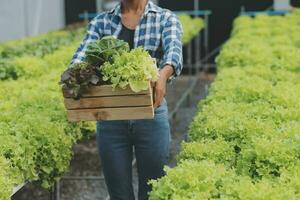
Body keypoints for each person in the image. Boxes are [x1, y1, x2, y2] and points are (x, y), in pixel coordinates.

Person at [71, 0, 183, 199]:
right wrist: (74, 74)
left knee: (153, 190)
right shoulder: (101, 22)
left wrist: (163, 75)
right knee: (119, 194)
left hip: (151, 114)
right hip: (111, 117)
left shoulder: (165, 18)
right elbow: (81, 56)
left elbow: (173, 53)